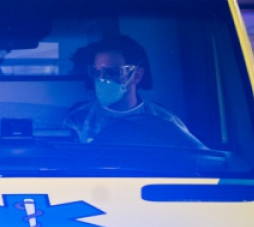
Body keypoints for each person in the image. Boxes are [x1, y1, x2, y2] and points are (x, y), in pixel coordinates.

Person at [64, 35, 206, 149]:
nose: (101, 79)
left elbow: (198, 158)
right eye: (97, 72)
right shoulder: (78, 120)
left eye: (112, 72)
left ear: (136, 75)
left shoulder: (165, 121)